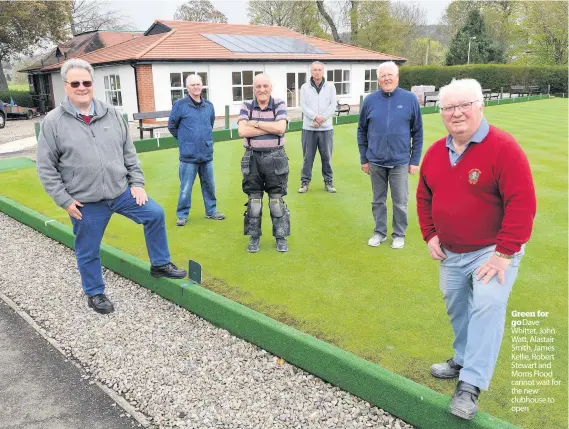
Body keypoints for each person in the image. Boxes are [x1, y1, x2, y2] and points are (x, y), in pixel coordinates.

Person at [416, 78, 536, 420]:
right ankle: (464, 356)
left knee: (486, 305)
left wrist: (504, 253)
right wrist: (430, 234)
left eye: (464, 105)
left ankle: (470, 384)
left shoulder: (503, 147)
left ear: (480, 106)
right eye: (448, 107)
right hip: (452, 250)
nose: (456, 113)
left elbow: (522, 202)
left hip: (493, 250)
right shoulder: (436, 152)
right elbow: (425, 195)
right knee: (457, 307)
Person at [36, 58, 187, 315]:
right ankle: (94, 293)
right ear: (67, 86)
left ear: (92, 84)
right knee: (88, 250)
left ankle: (159, 264)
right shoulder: (54, 122)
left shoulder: (112, 113)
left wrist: (137, 184)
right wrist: (64, 200)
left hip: (121, 193)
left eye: (86, 82)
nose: (82, 87)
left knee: (155, 214)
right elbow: (46, 167)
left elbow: (129, 153)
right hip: (86, 201)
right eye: (76, 83)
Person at [357, 61, 423, 249]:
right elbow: (361, 130)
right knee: (378, 200)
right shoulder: (370, 101)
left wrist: (415, 160)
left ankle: (399, 234)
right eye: (383, 76)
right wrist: (364, 158)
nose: (387, 78)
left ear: (397, 77)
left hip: (400, 160)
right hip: (375, 160)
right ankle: (379, 232)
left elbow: (417, 131)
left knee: (400, 201)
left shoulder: (409, 99)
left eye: (390, 75)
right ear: (379, 80)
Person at [237, 73, 289, 253]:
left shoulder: (279, 103)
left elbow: (281, 128)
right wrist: (270, 128)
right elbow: (242, 131)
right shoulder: (246, 105)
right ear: (254, 88)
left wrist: (256, 124)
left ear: (271, 87)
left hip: (276, 157)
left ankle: (280, 237)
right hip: (252, 158)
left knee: (276, 200)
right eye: (258, 86)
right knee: (254, 201)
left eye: (265, 86)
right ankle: (254, 237)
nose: (262, 90)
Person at [168, 74, 225, 226]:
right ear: (187, 88)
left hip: (206, 154)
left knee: (209, 186)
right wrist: (184, 141)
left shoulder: (209, 106)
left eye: (198, 84)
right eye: (193, 85)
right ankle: (182, 215)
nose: (196, 87)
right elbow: (172, 126)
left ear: (202, 86)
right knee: (185, 188)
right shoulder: (180, 105)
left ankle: (211, 211)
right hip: (188, 156)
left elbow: (209, 124)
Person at [299, 61, 337, 193]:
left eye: (319, 70)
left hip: (326, 129)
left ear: (323, 71)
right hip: (309, 128)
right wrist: (315, 117)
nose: (317, 72)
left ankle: (329, 182)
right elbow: (303, 106)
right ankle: (305, 183)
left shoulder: (331, 87)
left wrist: (321, 120)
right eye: (314, 70)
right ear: (311, 71)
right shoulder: (304, 87)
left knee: (327, 157)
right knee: (307, 158)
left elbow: (333, 106)